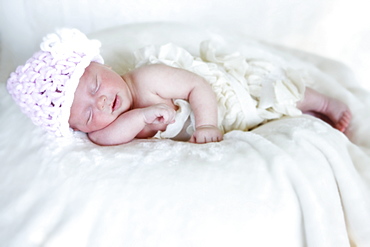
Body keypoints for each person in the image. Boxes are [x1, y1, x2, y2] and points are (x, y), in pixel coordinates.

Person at [7, 29, 351, 146]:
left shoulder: (147, 79)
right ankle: (306, 112)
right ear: (77, 129)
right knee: (270, 116)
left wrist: (206, 124)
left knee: (267, 92)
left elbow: (198, 87)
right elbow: (102, 136)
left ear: (103, 64)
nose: (100, 104)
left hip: (219, 100)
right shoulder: (110, 125)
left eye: (95, 85)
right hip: (218, 122)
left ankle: (322, 103)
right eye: (85, 113)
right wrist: (141, 117)